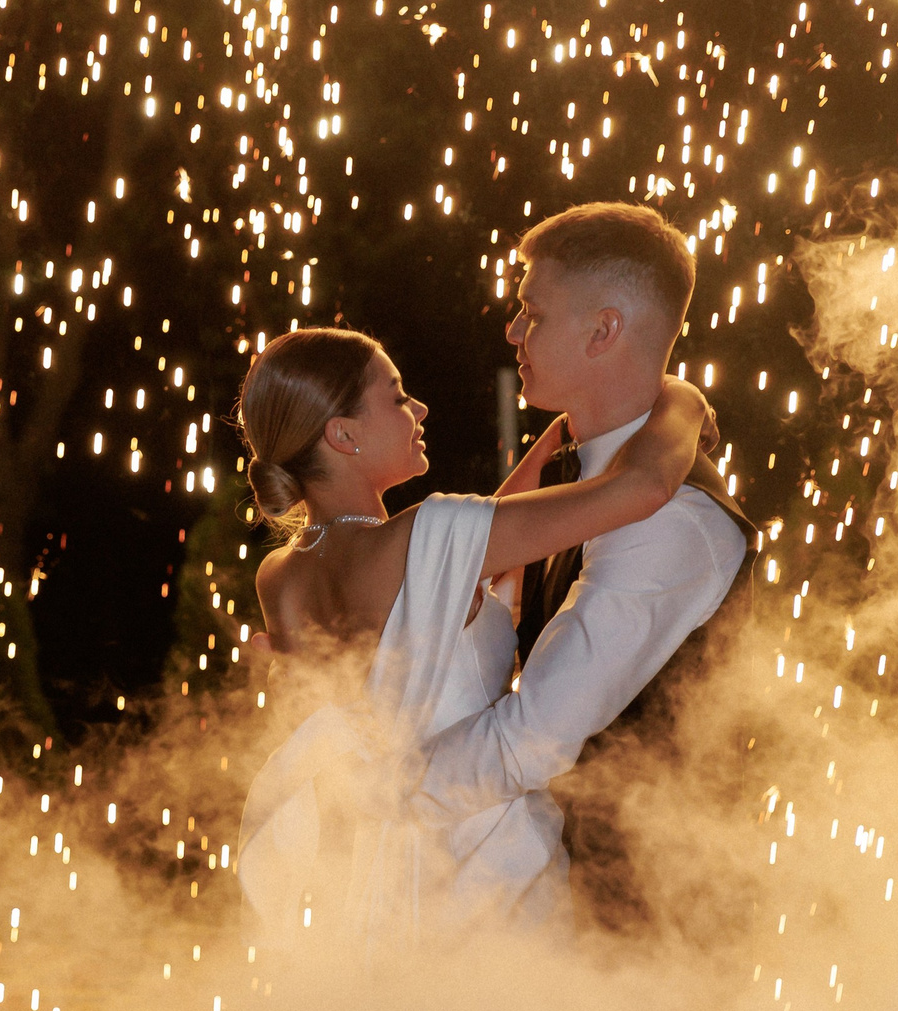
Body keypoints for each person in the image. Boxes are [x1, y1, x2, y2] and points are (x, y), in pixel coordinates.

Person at [232, 323, 715, 952]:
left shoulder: (281, 575)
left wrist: (555, 438)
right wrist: (682, 401)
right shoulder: (423, 537)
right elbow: (641, 490)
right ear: (343, 434)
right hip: (486, 867)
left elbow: (458, 559)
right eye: (396, 396)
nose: (419, 409)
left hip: (379, 881)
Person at [414, 202, 754, 933]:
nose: (513, 332)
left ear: (603, 330)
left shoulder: (672, 519)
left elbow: (530, 739)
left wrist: (377, 806)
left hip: (652, 933)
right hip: (565, 922)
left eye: (532, 313)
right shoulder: (575, 481)